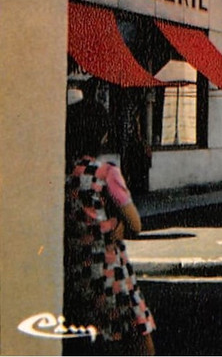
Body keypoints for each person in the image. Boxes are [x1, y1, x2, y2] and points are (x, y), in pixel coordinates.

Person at [64, 97, 157, 355]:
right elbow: (135, 224)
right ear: (102, 135)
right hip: (111, 271)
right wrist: (118, 222)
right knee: (140, 340)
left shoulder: (64, 173)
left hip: (78, 272)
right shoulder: (106, 173)